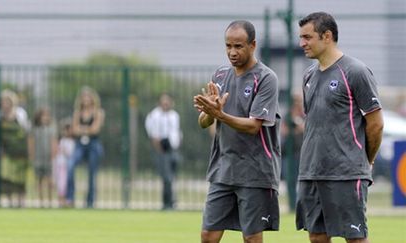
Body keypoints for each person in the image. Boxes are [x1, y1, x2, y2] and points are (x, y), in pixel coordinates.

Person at [296, 12, 384, 243]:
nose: (301, 43)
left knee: (354, 238)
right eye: (301, 37)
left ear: (327, 36)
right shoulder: (308, 76)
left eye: (307, 37)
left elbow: (375, 125)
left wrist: (366, 160)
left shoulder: (355, 71)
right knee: (317, 237)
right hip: (311, 171)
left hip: (346, 172)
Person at [193, 20, 281, 243]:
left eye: (238, 46)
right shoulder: (220, 75)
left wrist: (220, 115)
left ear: (252, 45)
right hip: (223, 169)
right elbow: (203, 122)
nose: (232, 52)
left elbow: (254, 126)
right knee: (208, 235)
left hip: (255, 171)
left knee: (251, 238)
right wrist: (211, 111)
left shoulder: (266, 78)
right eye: (228, 46)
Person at [66, 86, 105, 208]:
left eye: (88, 96)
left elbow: (95, 129)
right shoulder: (77, 112)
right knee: (70, 166)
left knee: (92, 173)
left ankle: (90, 202)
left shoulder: (98, 112)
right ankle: (70, 198)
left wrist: (82, 129)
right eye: (84, 97)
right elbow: (74, 130)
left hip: (93, 144)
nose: (86, 99)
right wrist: (86, 130)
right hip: (79, 145)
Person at [145, 93, 183, 210]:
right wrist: (159, 149)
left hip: (173, 148)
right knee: (166, 178)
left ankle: (172, 200)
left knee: (172, 177)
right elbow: (153, 134)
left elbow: (176, 132)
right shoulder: (155, 115)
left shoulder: (174, 115)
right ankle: (167, 203)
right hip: (163, 149)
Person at [0, 89, 30, 208]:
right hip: (7, 152)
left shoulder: (20, 114)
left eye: (7, 101)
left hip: (20, 151)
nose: (5, 104)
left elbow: (26, 131)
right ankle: (10, 202)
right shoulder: (0, 116)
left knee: (21, 178)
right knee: (7, 177)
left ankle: (21, 202)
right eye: (3, 101)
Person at [30, 107, 58, 208]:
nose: (45, 118)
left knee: (49, 179)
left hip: (48, 158)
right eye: (43, 115)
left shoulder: (51, 129)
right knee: (39, 180)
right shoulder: (34, 129)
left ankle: (50, 201)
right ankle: (41, 202)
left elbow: (54, 143)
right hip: (38, 158)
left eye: (47, 115)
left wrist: (54, 155)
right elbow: (31, 143)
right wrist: (32, 156)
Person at [53, 119, 75, 207]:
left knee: (67, 183)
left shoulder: (73, 142)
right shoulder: (61, 141)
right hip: (60, 165)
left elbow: (70, 153)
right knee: (60, 184)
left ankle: (68, 201)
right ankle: (61, 201)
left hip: (67, 166)